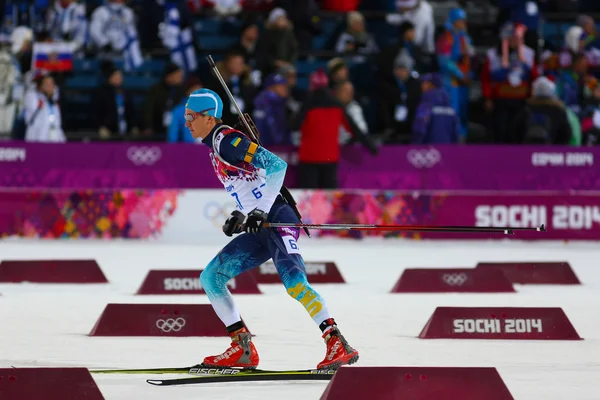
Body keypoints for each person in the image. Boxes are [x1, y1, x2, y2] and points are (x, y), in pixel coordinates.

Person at [184, 88, 359, 370]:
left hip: (278, 217)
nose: (187, 123)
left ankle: (338, 343)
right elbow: (252, 183)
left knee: (294, 283)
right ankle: (241, 347)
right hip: (260, 224)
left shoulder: (227, 141)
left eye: (191, 117)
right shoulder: (215, 146)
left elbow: (277, 166)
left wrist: (260, 210)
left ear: (208, 117)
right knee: (211, 277)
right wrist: (240, 214)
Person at [412, 73, 459, 144]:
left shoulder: (426, 104)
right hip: (448, 150)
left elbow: (419, 129)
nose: (421, 86)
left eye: (424, 83)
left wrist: (414, 146)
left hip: (429, 151)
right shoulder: (449, 106)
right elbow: (455, 132)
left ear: (432, 85)